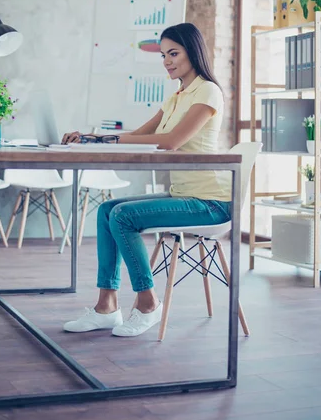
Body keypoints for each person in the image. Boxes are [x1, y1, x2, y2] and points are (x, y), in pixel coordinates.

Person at [61, 23, 232, 337]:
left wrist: (99, 141)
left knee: (124, 216)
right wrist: (90, 137)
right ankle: (107, 307)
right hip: (183, 196)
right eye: (164, 55)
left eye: (173, 53)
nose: (167, 61)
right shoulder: (177, 96)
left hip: (211, 203)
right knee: (106, 210)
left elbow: (170, 141)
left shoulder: (207, 91)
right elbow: (139, 135)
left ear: (193, 51)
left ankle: (148, 303)